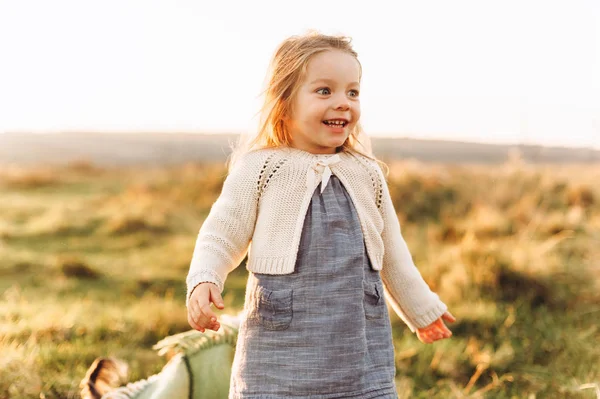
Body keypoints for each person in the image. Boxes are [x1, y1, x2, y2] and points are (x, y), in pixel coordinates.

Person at [185, 30, 456, 398]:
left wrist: (421, 309)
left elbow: (392, 250)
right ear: (284, 101)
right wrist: (205, 279)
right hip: (280, 343)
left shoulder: (366, 172)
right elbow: (222, 233)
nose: (343, 103)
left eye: (353, 92)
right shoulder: (262, 168)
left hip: (358, 343)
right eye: (325, 91)